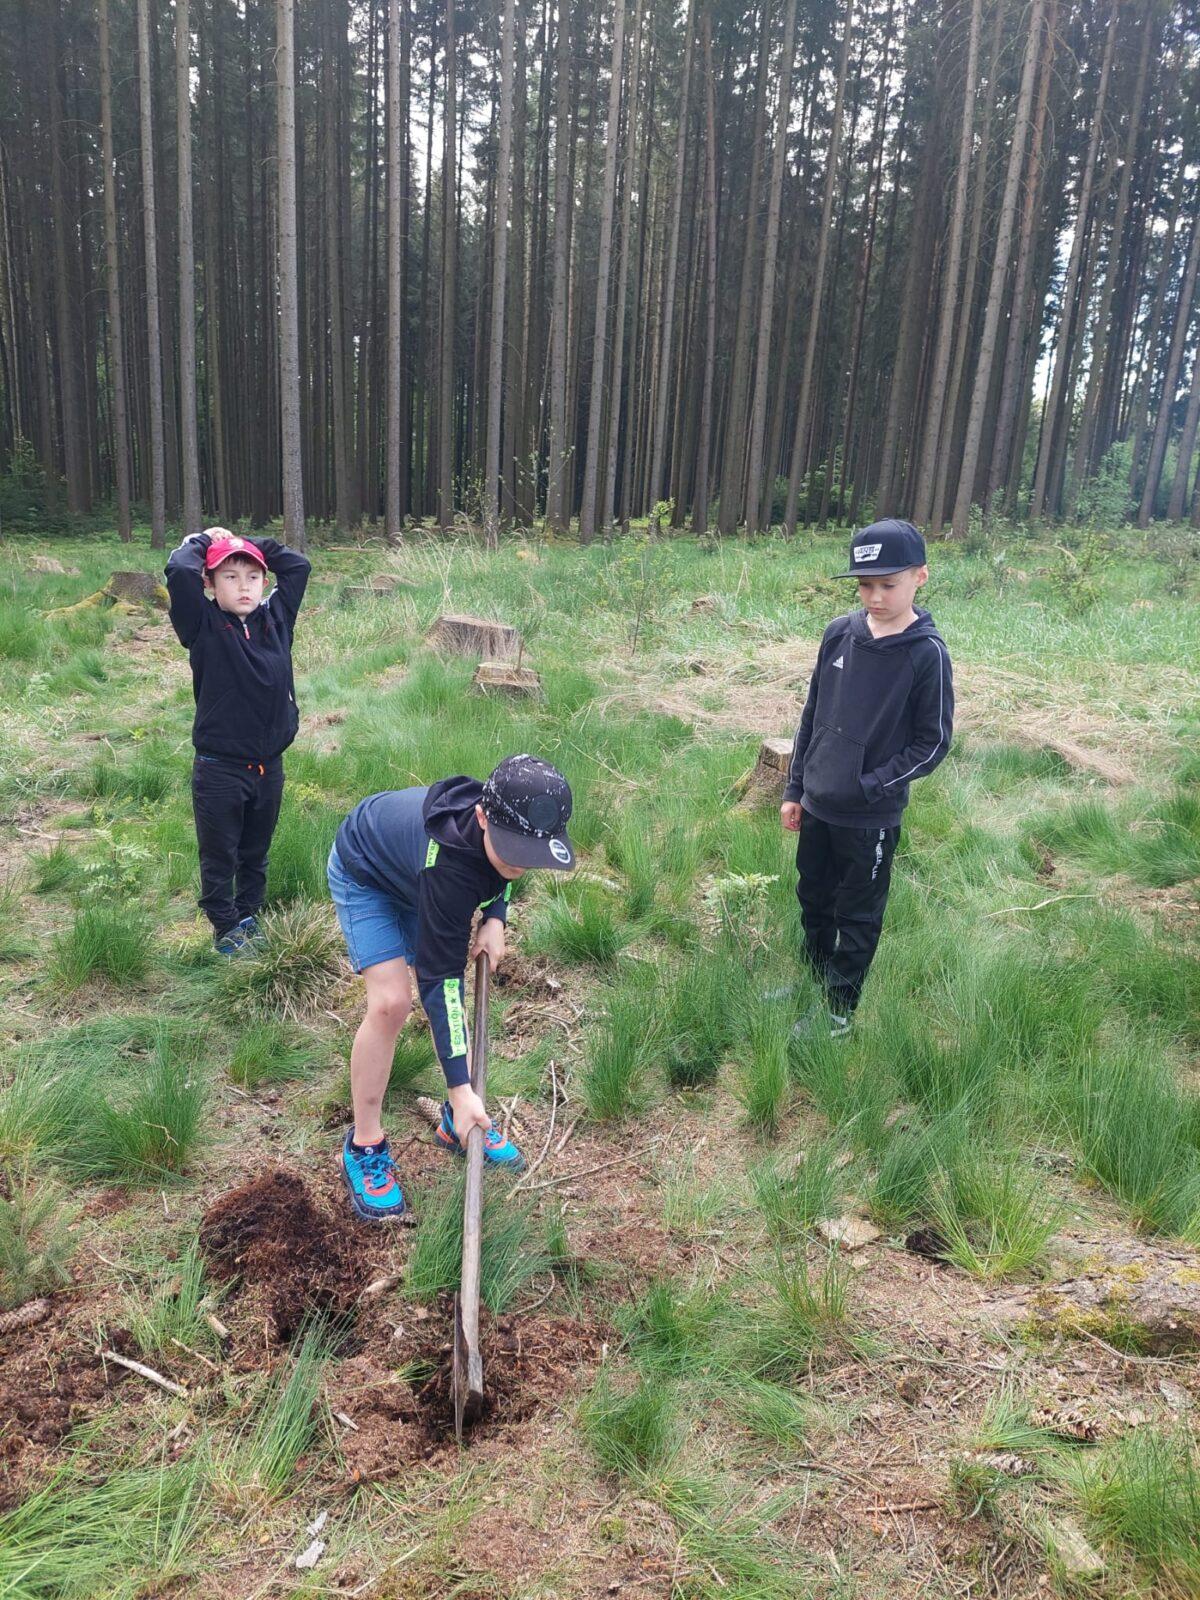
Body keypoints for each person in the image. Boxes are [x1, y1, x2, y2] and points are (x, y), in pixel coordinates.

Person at [328, 755, 576, 1221]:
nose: (522, 863)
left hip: (417, 877)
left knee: (443, 994)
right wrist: (463, 1087)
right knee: (391, 1003)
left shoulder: (505, 820)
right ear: (482, 818)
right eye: (513, 851)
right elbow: (440, 983)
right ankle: (363, 1146)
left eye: (531, 856)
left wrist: (495, 916)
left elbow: (504, 866)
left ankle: (453, 1117)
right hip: (367, 872)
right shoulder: (449, 868)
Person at [780, 519, 954, 1038]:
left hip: (870, 816)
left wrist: (872, 784)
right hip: (818, 803)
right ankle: (813, 976)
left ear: (920, 576)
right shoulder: (839, 633)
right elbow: (813, 713)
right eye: (864, 585)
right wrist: (796, 789)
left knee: (857, 913)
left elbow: (933, 743)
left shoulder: (927, 654)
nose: (874, 597)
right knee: (814, 897)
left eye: (888, 584)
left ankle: (838, 1010)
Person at [165, 528, 311, 955]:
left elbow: (298, 566)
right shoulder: (202, 624)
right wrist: (205, 541)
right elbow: (178, 570)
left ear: (264, 582)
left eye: (252, 576)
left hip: (269, 766)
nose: (243, 586)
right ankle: (225, 927)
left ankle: (249, 914)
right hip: (219, 768)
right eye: (230, 576)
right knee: (220, 854)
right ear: (209, 584)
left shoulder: (277, 618)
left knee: (255, 850)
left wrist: (250, 544)